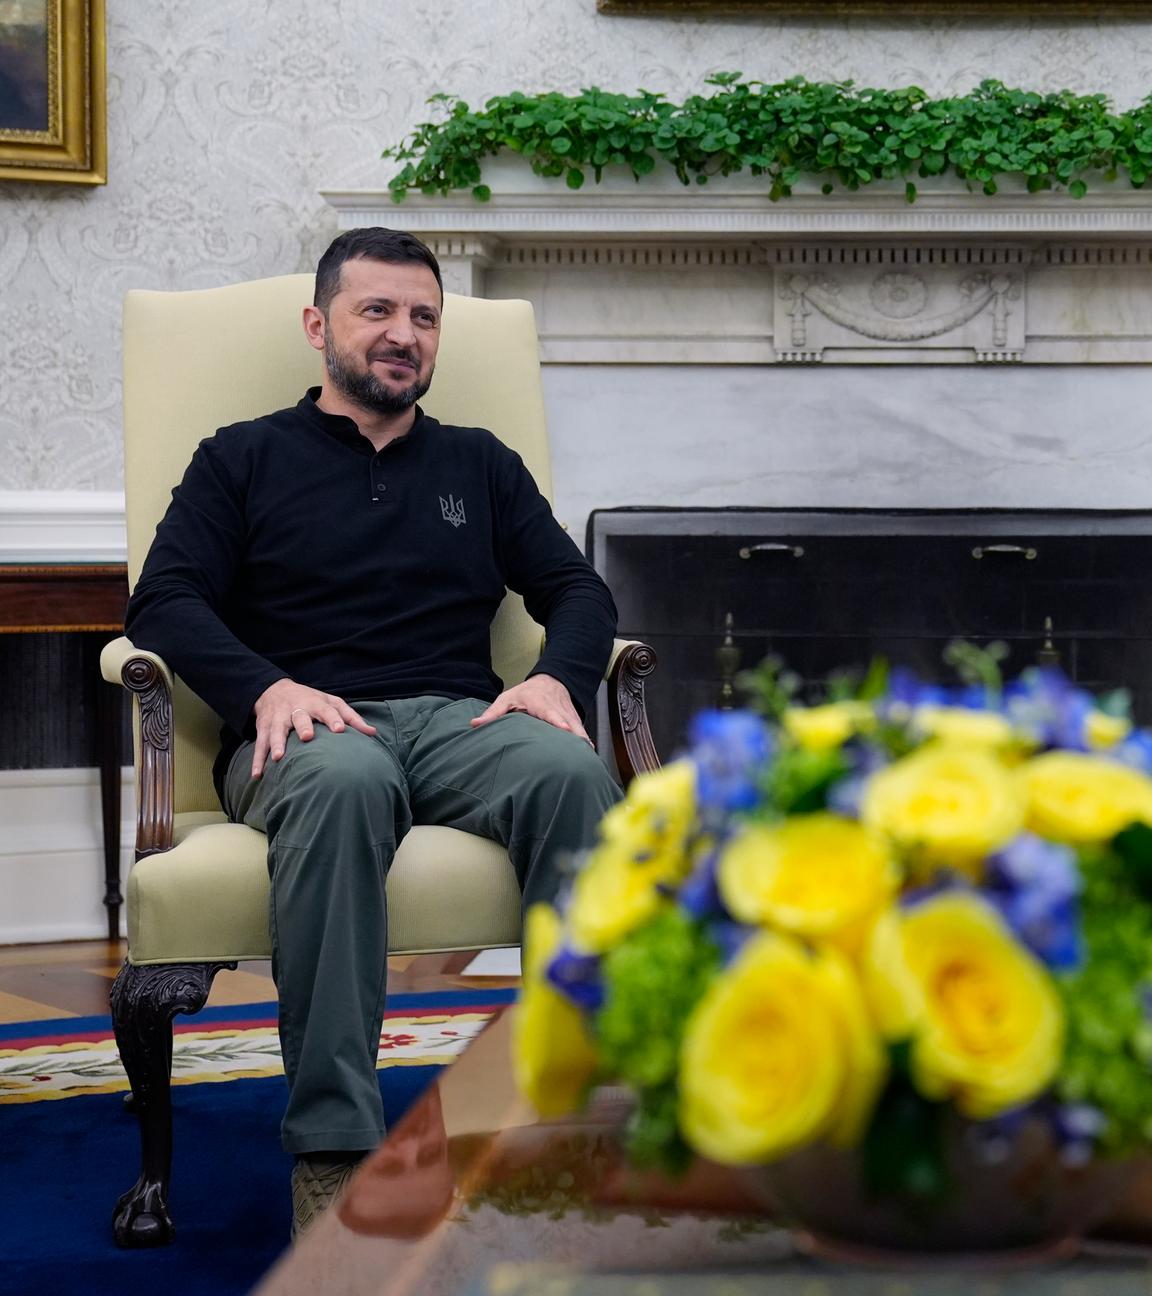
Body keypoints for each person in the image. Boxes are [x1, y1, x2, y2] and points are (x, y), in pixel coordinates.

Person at [124, 227, 622, 1236]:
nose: (404, 335)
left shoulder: (480, 465)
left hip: (457, 719)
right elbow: (163, 598)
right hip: (303, 729)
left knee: (570, 771)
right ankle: (338, 1151)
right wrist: (263, 688)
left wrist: (557, 681)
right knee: (346, 779)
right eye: (377, 312)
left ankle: (574, 1116)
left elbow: (574, 586)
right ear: (320, 327)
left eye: (424, 317)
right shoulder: (242, 459)